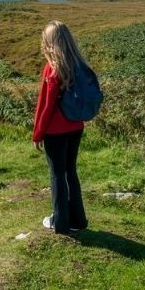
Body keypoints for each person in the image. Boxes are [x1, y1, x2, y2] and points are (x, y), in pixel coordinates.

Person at [32, 20, 89, 234]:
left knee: (57, 174)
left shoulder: (52, 68)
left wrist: (38, 134)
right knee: (70, 172)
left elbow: (45, 107)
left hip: (55, 132)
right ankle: (78, 220)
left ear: (50, 42)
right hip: (76, 127)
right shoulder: (77, 64)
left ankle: (61, 223)